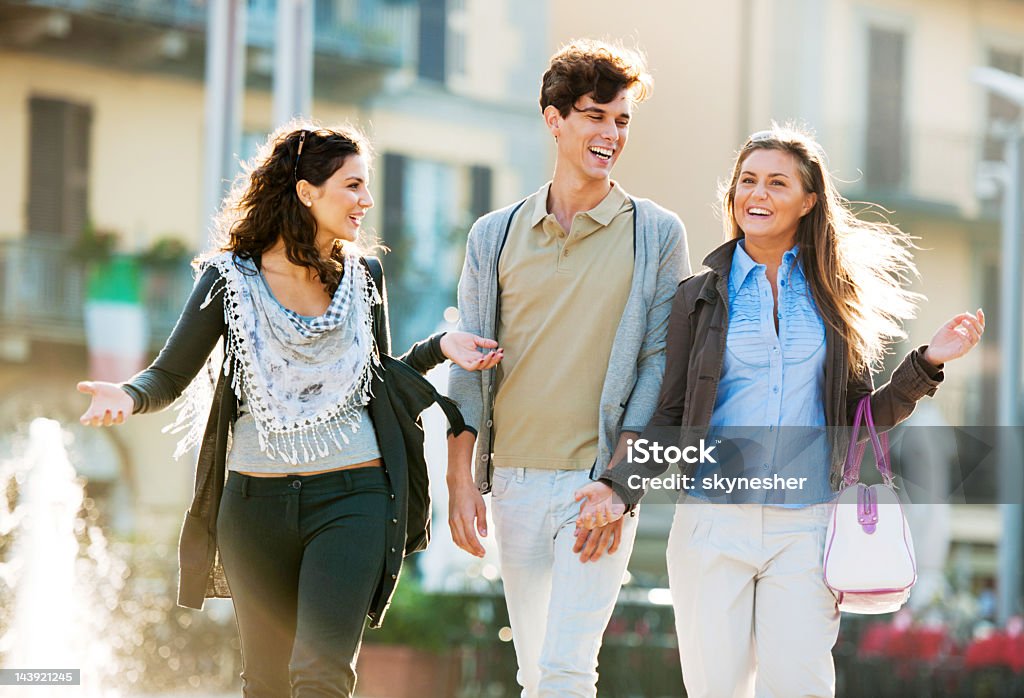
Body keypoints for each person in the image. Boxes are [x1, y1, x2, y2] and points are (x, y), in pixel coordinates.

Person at [77, 122, 501, 698]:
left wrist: (437, 348)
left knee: (321, 674)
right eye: (352, 186)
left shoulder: (365, 278)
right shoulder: (227, 282)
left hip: (355, 497)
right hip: (254, 508)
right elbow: (170, 374)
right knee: (267, 683)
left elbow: (372, 375)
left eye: (366, 187)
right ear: (307, 191)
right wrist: (126, 395)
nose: (366, 201)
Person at [577, 124, 985, 697]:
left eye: (776, 183)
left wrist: (926, 363)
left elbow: (859, 419)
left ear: (808, 200)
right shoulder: (696, 296)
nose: (757, 195)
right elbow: (671, 413)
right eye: (747, 181)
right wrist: (620, 487)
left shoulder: (834, 298)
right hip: (712, 523)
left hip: (807, 525)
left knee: (801, 687)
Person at [446, 39, 690, 697]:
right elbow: (468, 365)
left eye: (622, 119)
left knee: (565, 670)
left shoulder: (656, 233)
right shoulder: (493, 235)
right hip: (515, 483)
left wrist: (619, 483)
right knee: (534, 672)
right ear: (555, 120)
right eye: (595, 115)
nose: (611, 133)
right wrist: (460, 480)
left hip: (596, 484)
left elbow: (662, 362)